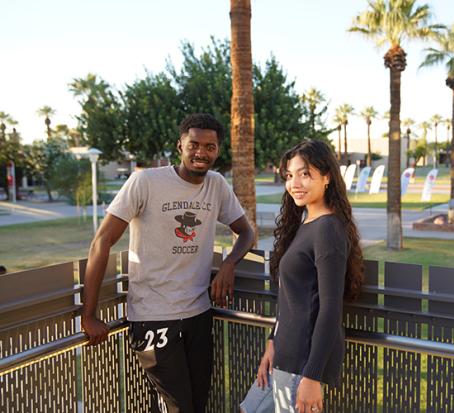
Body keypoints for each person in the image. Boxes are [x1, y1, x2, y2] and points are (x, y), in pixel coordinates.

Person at [82, 113, 255, 413]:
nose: (201, 152)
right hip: (153, 317)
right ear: (180, 146)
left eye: (210, 147)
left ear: (218, 149)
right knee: (179, 408)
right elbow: (102, 242)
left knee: (197, 405)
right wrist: (89, 314)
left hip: (199, 314)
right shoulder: (145, 182)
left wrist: (229, 264)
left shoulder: (216, 184)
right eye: (194, 145)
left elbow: (247, 232)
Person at [240, 140, 364, 413]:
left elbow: (330, 309)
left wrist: (312, 376)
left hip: (301, 363)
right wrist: (273, 341)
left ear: (327, 177)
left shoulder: (328, 230)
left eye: (305, 174)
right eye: (290, 175)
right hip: (283, 353)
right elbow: (291, 298)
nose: (295, 182)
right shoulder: (306, 223)